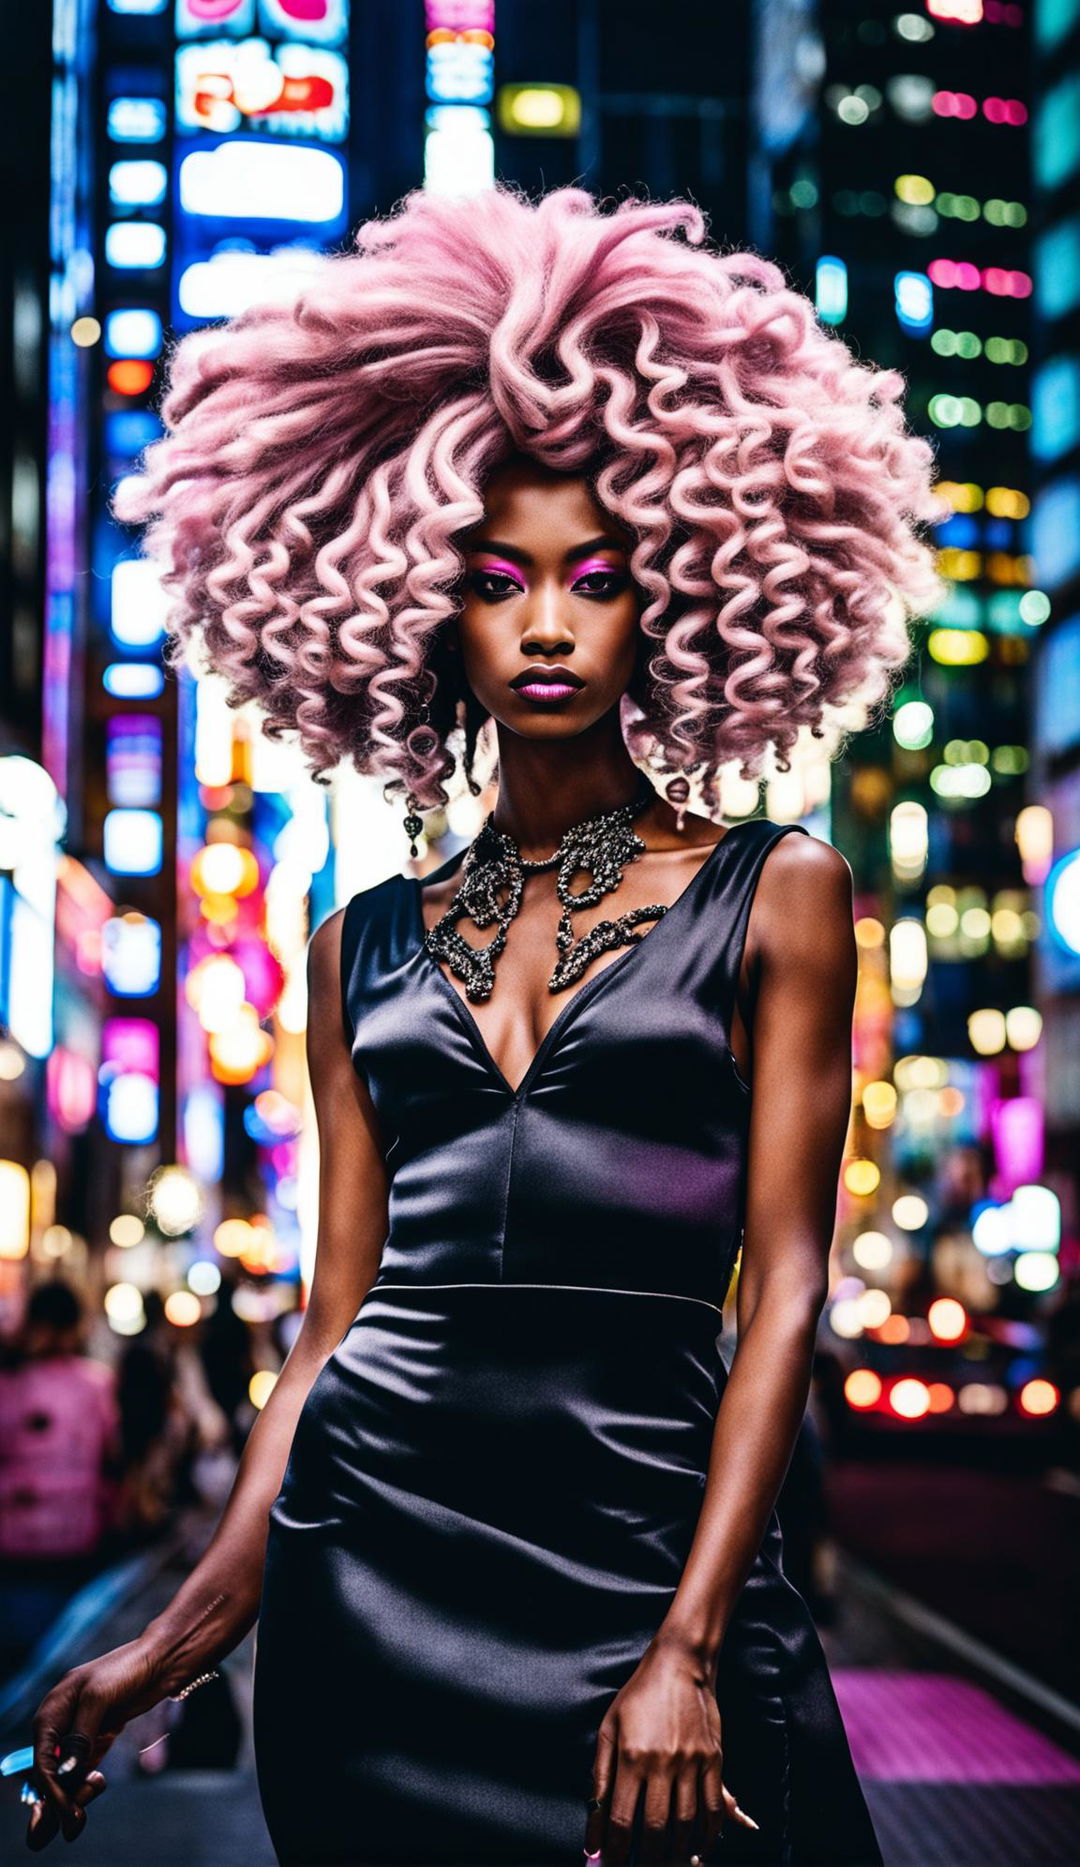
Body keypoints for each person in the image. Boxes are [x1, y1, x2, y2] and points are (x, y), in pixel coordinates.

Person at [25, 186, 943, 1863]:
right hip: (370, 1586)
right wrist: (180, 1636)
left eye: (592, 580)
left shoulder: (779, 892)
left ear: (669, 599)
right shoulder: (357, 944)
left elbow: (787, 1281)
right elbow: (331, 1326)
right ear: (415, 611)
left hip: (650, 1566)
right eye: (496, 579)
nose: (542, 622)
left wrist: (685, 1643)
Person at [0, 1282, 120, 1674]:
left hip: (14, 1545)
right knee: (59, 1662)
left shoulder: (10, 1383)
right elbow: (112, 1454)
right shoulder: (98, 1384)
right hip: (76, 1540)